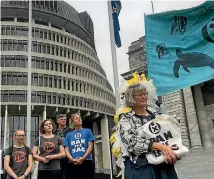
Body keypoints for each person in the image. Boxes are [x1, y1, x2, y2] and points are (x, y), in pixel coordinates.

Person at [119, 82, 179, 179]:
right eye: (140, 94)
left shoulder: (157, 116)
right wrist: (161, 147)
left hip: (164, 167)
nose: (144, 96)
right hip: (141, 169)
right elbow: (133, 145)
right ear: (131, 98)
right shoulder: (126, 120)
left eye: (145, 93)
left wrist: (172, 152)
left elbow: (168, 137)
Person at [64, 114, 95, 179]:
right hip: (73, 163)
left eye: (80, 118)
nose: (79, 119)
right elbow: (66, 150)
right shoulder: (68, 135)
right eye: (76, 118)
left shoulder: (88, 131)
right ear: (72, 122)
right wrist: (72, 160)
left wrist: (83, 158)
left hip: (86, 161)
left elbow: (90, 146)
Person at [54, 113, 72, 179]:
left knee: (69, 175)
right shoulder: (54, 132)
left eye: (65, 119)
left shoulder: (70, 131)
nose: (64, 120)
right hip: (58, 157)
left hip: (68, 156)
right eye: (61, 119)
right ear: (57, 121)